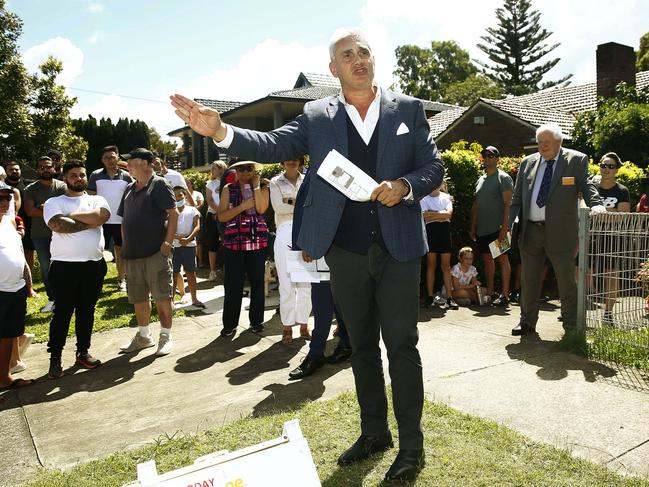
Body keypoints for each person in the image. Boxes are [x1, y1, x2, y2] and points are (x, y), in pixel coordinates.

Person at [171, 27, 442, 482]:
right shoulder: (317, 116)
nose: (357, 60)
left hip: (399, 248)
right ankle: (375, 432)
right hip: (345, 249)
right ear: (334, 69)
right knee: (359, 346)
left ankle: (411, 447)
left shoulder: (408, 110)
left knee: (401, 344)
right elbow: (272, 144)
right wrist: (219, 131)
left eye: (364, 53)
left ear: (374, 61)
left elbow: (432, 166)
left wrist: (405, 186)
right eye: (346, 55)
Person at [509, 123, 605, 337]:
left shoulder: (576, 160)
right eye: (539, 142)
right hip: (531, 231)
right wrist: (508, 226)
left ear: (559, 142)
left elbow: (587, 184)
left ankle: (571, 326)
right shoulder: (527, 162)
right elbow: (516, 199)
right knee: (529, 280)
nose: (542, 146)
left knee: (566, 281)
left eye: (547, 143)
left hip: (561, 232)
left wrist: (596, 203)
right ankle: (527, 323)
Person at [43, 161, 110, 378]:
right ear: (64, 178)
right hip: (64, 268)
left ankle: (83, 352)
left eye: (82, 174)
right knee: (62, 312)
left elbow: (102, 217)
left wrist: (71, 216)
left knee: (86, 311)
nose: (79, 178)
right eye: (74, 175)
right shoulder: (54, 201)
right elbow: (57, 225)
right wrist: (90, 222)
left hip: (93, 266)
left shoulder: (96, 199)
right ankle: (55, 358)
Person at [288, 169, 351, 380]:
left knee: (328, 302)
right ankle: (343, 343)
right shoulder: (316, 169)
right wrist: (303, 243)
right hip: (321, 249)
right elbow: (304, 210)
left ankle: (318, 354)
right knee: (328, 301)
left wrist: (307, 243)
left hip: (335, 248)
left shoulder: (336, 168)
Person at [117, 148, 179, 356]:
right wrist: (126, 246)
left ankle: (166, 337)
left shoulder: (159, 184)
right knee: (139, 298)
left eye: (131, 160)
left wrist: (167, 244)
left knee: (162, 296)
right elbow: (124, 220)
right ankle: (144, 337)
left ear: (145, 162)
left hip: (155, 253)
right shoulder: (128, 188)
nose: (127, 164)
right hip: (132, 254)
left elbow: (173, 213)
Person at [217, 161, 270, 337]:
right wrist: (242, 207)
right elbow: (222, 216)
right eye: (241, 168)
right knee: (233, 285)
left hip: (257, 242)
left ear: (255, 170)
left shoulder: (263, 186)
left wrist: (255, 186)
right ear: (236, 171)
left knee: (257, 283)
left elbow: (262, 208)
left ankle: (256, 322)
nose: (246, 172)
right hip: (234, 243)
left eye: (249, 168)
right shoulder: (228, 189)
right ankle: (230, 324)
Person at [270, 157, 312, 344]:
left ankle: (304, 324)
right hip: (285, 231)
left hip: (305, 230)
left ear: (301, 161)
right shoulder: (274, 182)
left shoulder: (307, 180)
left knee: (306, 283)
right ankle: (287, 326)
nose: (292, 162)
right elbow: (278, 207)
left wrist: (290, 201)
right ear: (282, 162)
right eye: (287, 159)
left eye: (295, 159)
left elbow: (311, 206)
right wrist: (300, 204)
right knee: (286, 283)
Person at [0, 181, 34, 391]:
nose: (4, 202)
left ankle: (4, 376)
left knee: (9, 335)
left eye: (7, 198)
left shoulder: (9, 222)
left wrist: (28, 284)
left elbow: (19, 255)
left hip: (16, 289)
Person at [470, 146, 513, 307]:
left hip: (498, 228)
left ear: (497, 159)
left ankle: (505, 295)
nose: (487, 158)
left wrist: (504, 228)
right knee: (488, 261)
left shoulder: (504, 178)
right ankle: (490, 291)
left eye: (490, 155)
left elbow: (508, 205)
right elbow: (476, 205)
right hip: (482, 229)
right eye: (484, 155)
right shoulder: (480, 180)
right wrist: (472, 226)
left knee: (503, 259)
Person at [23, 156, 67, 313]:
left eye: (48, 167)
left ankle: (67, 297)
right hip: (40, 234)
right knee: (46, 267)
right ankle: (52, 299)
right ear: (37, 170)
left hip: (62, 232)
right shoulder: (31, 189)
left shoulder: (62, 186)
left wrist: (43, 208)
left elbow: (66, 208)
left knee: (65, 265)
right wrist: (53, 210)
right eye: (42, 167)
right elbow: (30, 211)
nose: (45, 170)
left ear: (54, 168)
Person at [88, 145, 133, 292]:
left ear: (117, 157)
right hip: (101, 221)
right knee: (98, 252)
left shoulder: (127, 176)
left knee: (121, 252)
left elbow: (131, 199)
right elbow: (90, 198)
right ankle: (97, 282)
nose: (110, 160)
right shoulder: (95, 175)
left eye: (112, 157)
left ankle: (121, 280)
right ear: (102, 160)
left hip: (121, 221)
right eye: (106, 158)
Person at [593, 152, 630, 322]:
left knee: (611, 274)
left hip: (613, 237)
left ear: (616, 170)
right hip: (590, 235)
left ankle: (608, 313)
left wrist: (601, 212)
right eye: (603, 165)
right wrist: (611, 212)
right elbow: (583, 206)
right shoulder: (592, 187)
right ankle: (576, 308)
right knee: (580, 269)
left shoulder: (622, 190)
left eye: (611, 166)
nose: (606, 169)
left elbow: (623, 214)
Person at [421, 182, 457, 309]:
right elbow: (424, 216)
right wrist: (441, 214)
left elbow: (449, 215)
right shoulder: (424, 198)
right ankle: (430, 297)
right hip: (431, 234)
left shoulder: (446, 197)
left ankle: (449, 298)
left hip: (444, 234)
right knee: (431, 265)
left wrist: (433, 213)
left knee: (446, 266)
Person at [172, 186, 204, 309]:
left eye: (180, 195)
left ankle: (194, 298)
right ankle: (172, 299)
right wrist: (176, 237)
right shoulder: (170, 211)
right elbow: (166, 227)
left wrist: (188, 239)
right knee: (174, 273)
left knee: (190, 272)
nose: (178, 198)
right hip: (175, 246)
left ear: (185, 195)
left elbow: (197, 227)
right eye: (175, 196)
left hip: (190, 245)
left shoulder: (192, 210)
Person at [3, 161, 36, 276]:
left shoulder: (29, 185)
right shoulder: (3, 187)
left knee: (28, 252)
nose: (14, 171)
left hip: (27, 224)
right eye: (11, 169)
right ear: (6, 172)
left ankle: (28, 283)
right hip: (7, 224)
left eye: (16, 169)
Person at [204, 160, 227, 279]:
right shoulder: (210, 184)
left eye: (216, 167)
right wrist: (219, 211)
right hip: (213, 215)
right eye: (212, 168)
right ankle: (212, 271)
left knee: (228, 242)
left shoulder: (229, 181)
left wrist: (225, 213)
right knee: (212, 243)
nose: (213, 170)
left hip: (228, 215)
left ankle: (228, 269)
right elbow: (209, 200)